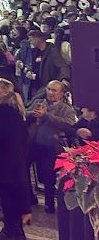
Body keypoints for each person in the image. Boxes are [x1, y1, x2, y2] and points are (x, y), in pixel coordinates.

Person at [0, 79, 31, 240]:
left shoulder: (1, 112)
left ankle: (13, 231)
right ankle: (13, 230)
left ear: (4, 92)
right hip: (13, 160)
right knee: (10, 197)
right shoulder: (15, 111)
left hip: (3, 162)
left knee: (8, 198)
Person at [26, 79, 76, 213]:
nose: (50, 93)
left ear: (61, 94)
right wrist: (33, 114)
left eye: (54, 90)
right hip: (34, 142)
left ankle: (49, 203)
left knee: (48, 174)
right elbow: (25, 112)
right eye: (49, 89)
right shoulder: (39, 103)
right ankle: (30, 197)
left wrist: (47, 115)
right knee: (23, 166)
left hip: (51, 146)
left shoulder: (66, 109)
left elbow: (70, 125)